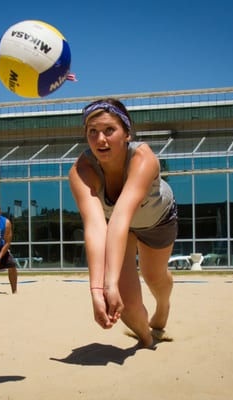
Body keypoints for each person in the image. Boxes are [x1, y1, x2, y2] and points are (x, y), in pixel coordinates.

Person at [69, 98, 177, 349]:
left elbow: (121, 215)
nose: (100, 139)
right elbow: (96, 226)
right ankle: (148, 340)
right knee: (122, 300)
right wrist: (98, 289)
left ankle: (163, 306)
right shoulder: (81, 170)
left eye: (109, 130)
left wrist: (110, 281)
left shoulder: (143, 157)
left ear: (127, 133)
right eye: (92, 132)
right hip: (118, 227)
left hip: (157, 220)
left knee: (154, 277)